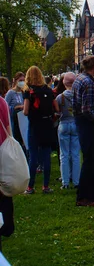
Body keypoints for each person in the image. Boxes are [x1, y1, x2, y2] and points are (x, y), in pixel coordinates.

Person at [72, 55, 94, 207]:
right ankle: (84, 196)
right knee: (90, 159)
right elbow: (87, 109)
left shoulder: (79, 78)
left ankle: (93, 192)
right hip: (86, 123)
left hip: (80, 121)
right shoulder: (88, 82)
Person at [23, 66, 58, 194]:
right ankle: (46, 186)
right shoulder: (48, 90)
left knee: (33, 157)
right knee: (46, 155)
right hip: (47, 124)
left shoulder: (29, 91)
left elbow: (26, 111)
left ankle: (30, 186)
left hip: (34, 126)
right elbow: (57, 108)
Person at [56, 72, 80, 189]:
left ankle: (65, 182)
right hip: (75, 124)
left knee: (64, 154)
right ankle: (76, 181)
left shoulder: (60, 97)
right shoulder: (78, 95)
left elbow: (57, 111)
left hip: (64, 124)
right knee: (75, 154)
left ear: (64, 82)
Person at [0, 94, 14, 238]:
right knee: (4, 188)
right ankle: (7, 224)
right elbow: (8, 126)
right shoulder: (2, 102)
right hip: (3, 148)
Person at [5, 72, 25, 138]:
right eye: (20, 80)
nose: (22, 82)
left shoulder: (23, 92)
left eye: (23, 80)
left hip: (23, 119)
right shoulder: (10, 93)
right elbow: (5, 106)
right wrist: (15, 107)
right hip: (14, 119)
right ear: (16, 81)